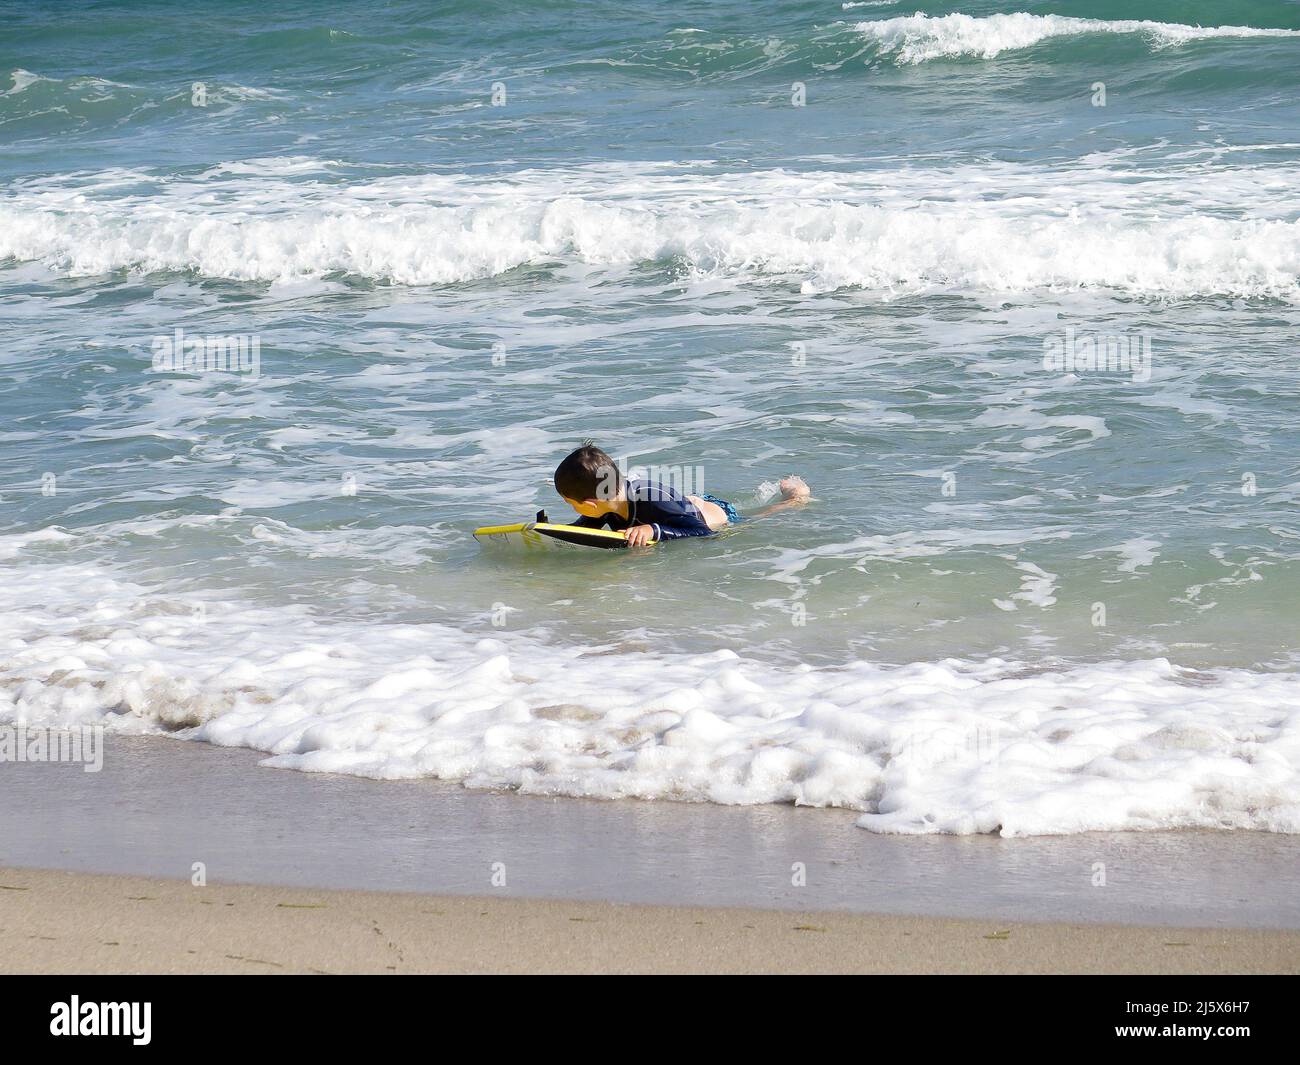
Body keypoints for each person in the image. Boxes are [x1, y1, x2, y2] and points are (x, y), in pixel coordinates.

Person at [552, 443, 810, 547]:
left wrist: (654, 530)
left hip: (712, 518)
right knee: (678, 506)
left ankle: (794, 497)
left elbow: (703, 532)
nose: (575, 510)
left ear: (589, 503)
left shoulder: (649, 497)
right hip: (679, 505)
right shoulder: (603, 505)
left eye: (570, 504)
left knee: (756, 518)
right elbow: (581, 532)